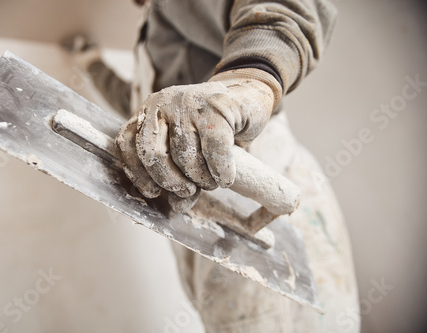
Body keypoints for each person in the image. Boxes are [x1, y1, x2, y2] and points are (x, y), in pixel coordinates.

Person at [71, 0, 360, 331]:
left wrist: (248, 82)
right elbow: (132, 102)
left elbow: (280, 12)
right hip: (205, 215)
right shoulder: (150, 36)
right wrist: (92, 65)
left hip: (263, 192)